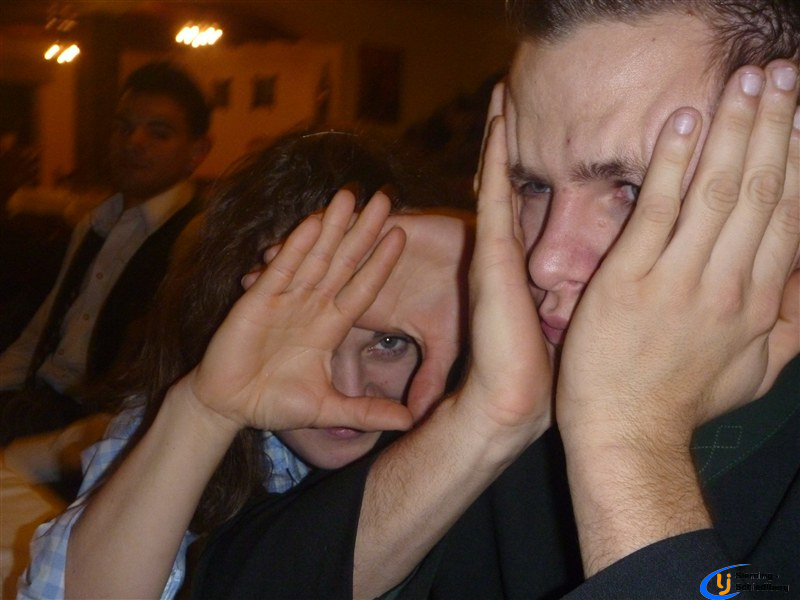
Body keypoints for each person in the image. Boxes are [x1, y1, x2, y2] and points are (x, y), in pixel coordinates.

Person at [192, 1, 800, 598]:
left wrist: (629, 447)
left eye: (632, 188)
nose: (545, 261)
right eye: (534, 185)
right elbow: (230, 584)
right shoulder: (497, 362)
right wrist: (490, 418)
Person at [18, 130, 472, 599]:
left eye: (389, 343)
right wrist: (202, 413)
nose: (348, 388)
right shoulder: (172, 421)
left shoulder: (470, 428)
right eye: (303, 338)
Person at [0, 61, 212, 445]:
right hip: (37, 399)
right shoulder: (95, 222)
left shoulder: (194, 239)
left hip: (96, 428)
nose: (134, 142)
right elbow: (41, 333)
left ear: (197, 151)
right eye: (123, 127)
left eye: (158, 133)